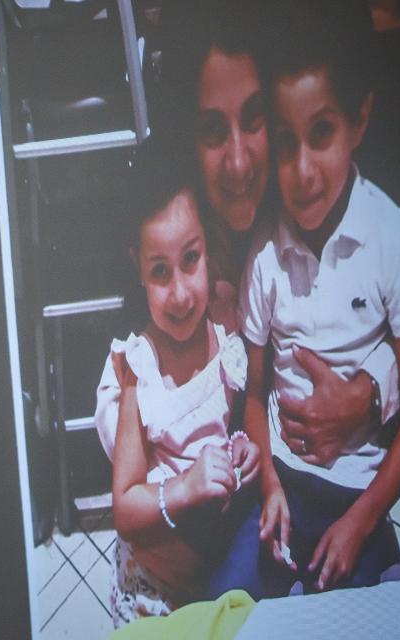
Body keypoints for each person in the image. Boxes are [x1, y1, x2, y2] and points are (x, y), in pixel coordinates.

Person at [234, 0, 400, 595]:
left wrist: (360, 521)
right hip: (284, 485)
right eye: (285, 142)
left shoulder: (389, 236)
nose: (303, 171)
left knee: (372, 614)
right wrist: (269, 483)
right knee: (228, 605)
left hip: (360, 494)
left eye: (321, 133)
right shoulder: (263, 256)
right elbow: (254, 392)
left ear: (359, 121)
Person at [94, 167, 260, 626]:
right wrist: (185, 486)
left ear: (210, 249)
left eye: (191, 260)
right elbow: (127, 507)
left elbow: (228, 423)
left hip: (216, 574)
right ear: (139, 271)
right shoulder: (134, 372)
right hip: (156, 597)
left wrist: (242, 450)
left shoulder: (224, 327)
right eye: (160, 272)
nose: (181, 293)